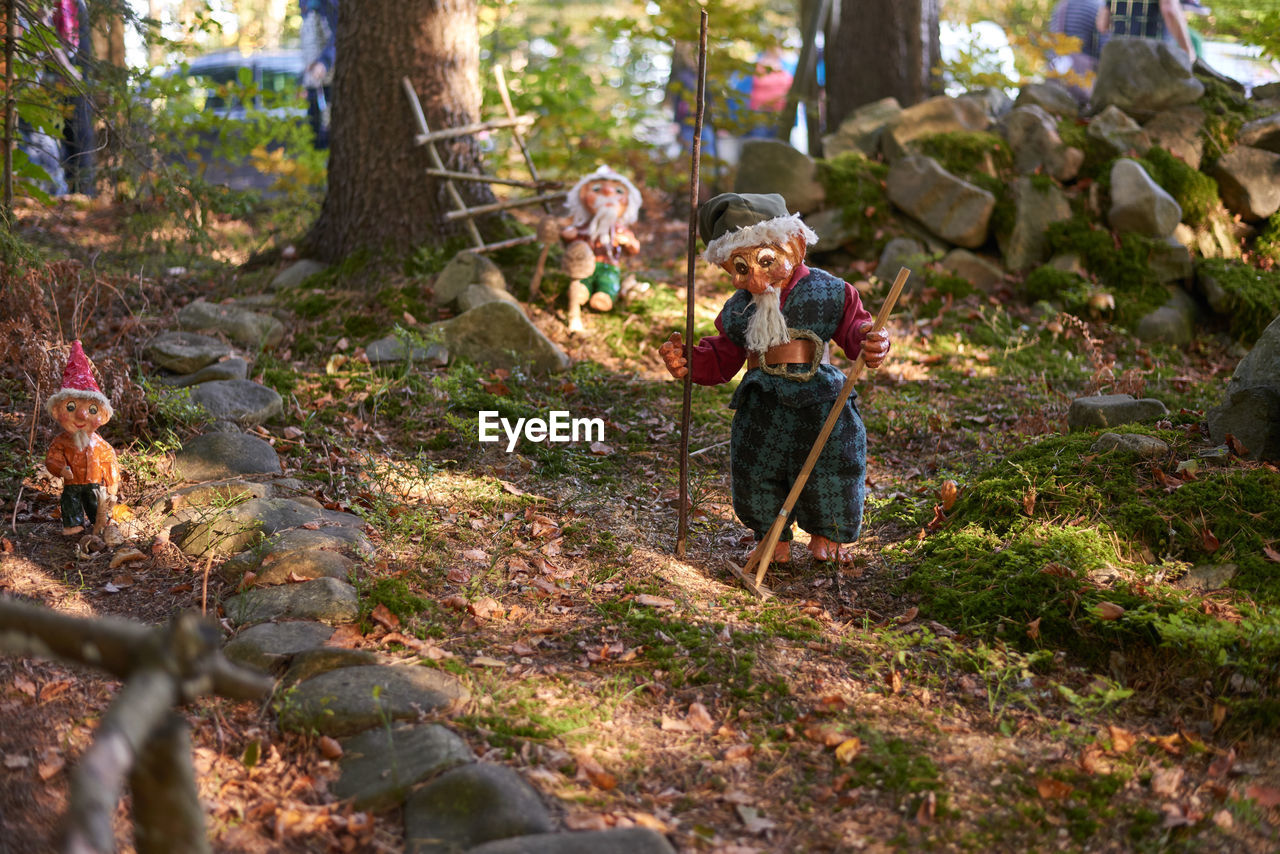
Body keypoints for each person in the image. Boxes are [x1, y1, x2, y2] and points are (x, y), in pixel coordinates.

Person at [658, 193, 890, 563]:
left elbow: (854, 331)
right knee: (756, 465)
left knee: (834, 460)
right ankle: (771, 536)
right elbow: (723, 357)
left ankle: (828, 533)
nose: (756, 277)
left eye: (767, 261)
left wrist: (871, 340)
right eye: (741, 267)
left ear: (795, 245)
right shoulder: (738, 308)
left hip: (821, 396)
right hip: (761, 397)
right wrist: (690, 361)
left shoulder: (831, 291)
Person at [44, 341, 119, 537]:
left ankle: (99, 521)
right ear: (56, 410)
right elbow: (53, 457)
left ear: (103, 415)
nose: (82, 416)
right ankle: (73, 523)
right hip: (72, 482)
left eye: (92, 410)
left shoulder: (99, 443)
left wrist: (111, 479)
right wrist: (61, 468)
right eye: (71, 407)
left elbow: (108, 458)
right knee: (71, 501)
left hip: (93, 481)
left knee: (95, 502)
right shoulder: (61, 442)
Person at [560, 166, 643, 333]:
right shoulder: (585, 227)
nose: (607, 192)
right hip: (584, 266)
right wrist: (569, 233)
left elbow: (634, 247)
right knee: (581, 283)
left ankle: (605, 295)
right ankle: (581, 292)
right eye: (597, 189)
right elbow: (570, 234)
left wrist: (628, 242)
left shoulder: (619, 229)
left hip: (609, 267)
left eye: (618, 191)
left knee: (609, 282)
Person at [1097, 0, 1194, 61]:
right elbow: (1169, 8)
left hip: (1118, 59)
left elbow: (1102, 25)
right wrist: (1188, 51)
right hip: (1152, 59)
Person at [1050, 0, 1107, 103]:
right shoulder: (1098, 6)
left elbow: (1052, 44)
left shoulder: (1060, 6)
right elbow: (1103, 47)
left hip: (1057, 78)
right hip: (1085, 80)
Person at [300, 0, 338, 149]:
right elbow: (309, 40)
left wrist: (324, 62)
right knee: (314, 134)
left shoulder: (330, 6)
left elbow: (337, 35)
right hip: (313, 83)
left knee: (328, 131)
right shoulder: (305, 6)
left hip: (330, 80)